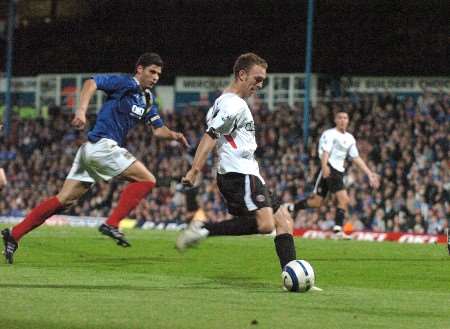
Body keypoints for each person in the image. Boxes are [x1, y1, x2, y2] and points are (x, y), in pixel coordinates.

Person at [2, 52, 189, 264]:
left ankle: (14, 235)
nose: (155, 77)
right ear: (139, 69)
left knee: (64, 201)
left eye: (158, 74)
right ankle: (112, 223)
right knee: (148, 179)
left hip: (92, 151)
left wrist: (174, 135)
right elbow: (92, 82)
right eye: (152, 72)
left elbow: (158, 130)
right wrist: (81, 111)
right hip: (102, 146)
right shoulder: (125, 82)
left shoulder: (146, 98)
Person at [176, 53, 296, 270]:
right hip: (238, 173)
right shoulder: (233, 104)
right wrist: (194, 170)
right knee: (266, 224)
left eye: (263, 81)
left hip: (248, 172)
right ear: (242, 75)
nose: (259, 85)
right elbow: (210, 135)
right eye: (257, 79)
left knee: (284, 220)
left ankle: (292, 273)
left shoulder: (224, 102)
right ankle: (203, 229)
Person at [287, 109, 380, 238]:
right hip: (330, 168)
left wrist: (369, 173)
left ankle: (290, 208)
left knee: (317, 202)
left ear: (348, 121)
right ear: (336, 120)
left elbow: (356, 158)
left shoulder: (349, 138)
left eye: (345, 118)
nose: (342, 120)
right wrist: (324, 166)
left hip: (338, 170)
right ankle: (338, 230)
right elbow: (326, 151)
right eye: (340, 118)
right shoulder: (329, 134)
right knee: (344, 199)